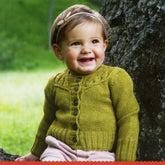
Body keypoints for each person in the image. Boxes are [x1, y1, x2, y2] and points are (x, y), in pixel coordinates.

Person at [16, 4, 139, 161]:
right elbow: (47, 120)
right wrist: (35, 153)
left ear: (105, 45)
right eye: (76, 43)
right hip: (59, 149)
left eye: (94, 41)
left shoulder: (115, 78)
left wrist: (125, 160)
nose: (86, 49)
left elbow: (128, 119)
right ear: (58, 51)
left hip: (100, 153)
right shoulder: (55, 84)